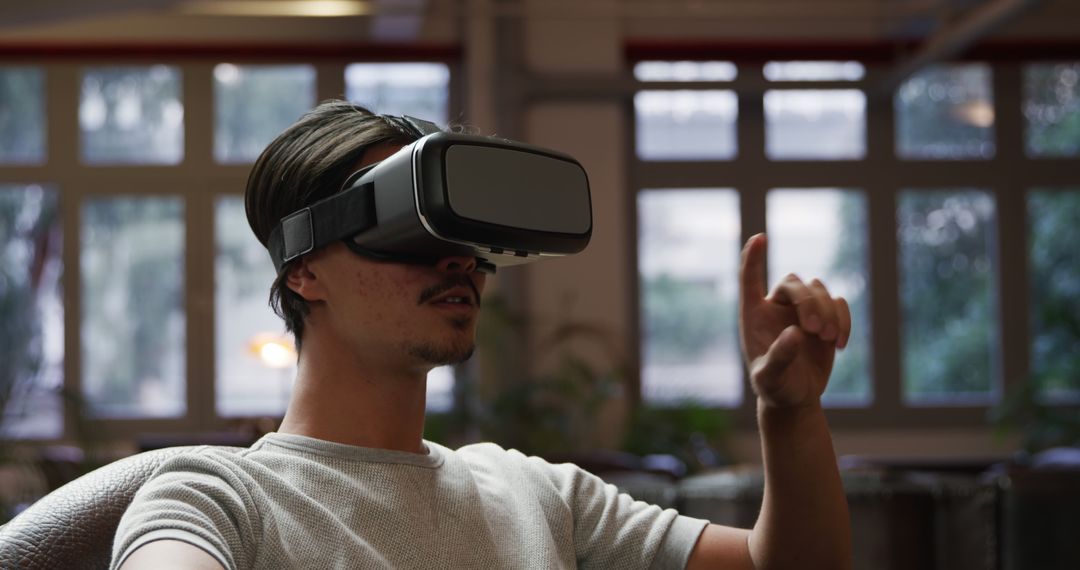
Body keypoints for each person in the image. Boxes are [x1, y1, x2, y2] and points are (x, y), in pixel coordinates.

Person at [111, 100, 852, 570]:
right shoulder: (215, 498)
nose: (457, 261)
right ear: (303, 269)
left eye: (467, 236)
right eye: (409, 226)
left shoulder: (538, 496)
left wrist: (789, 414)